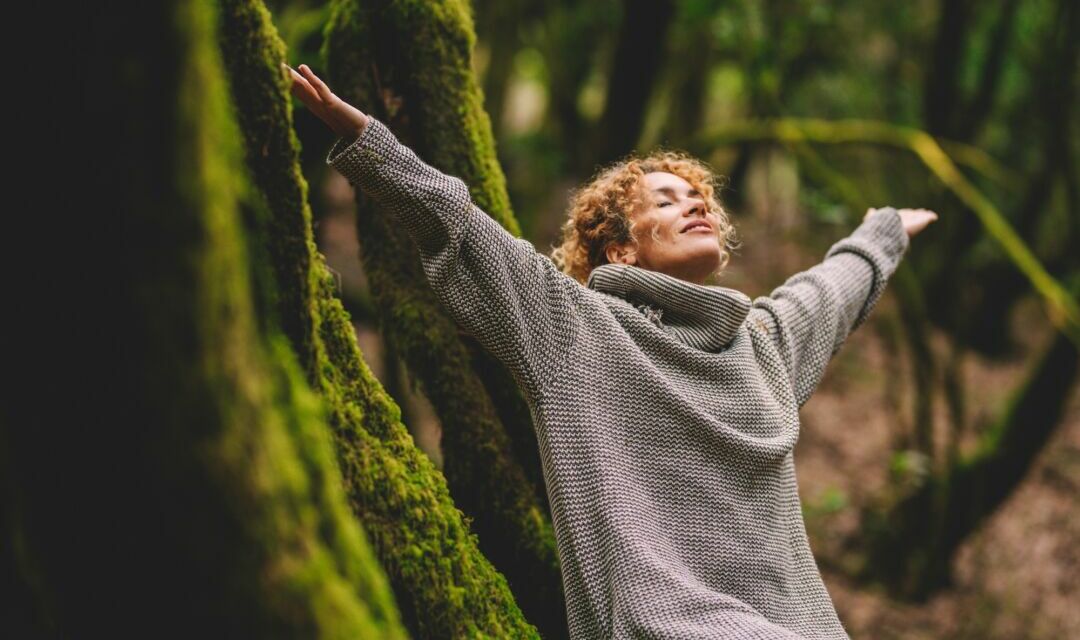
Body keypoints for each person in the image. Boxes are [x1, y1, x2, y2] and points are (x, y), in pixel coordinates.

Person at [287, 62, 938, 639]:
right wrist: (366, 141)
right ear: (622, 248)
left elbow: (829, 291)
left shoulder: (762, 345)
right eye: (669, 199)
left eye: (701, 200)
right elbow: (462, 228)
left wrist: (884, 234)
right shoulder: (574, 331)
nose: (697, 207)